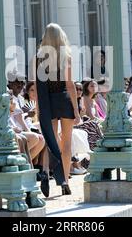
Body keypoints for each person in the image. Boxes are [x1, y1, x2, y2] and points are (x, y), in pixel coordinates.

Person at [32, 23, 81, 196]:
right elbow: (70, 84)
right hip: (64, 99)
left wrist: (39, 109)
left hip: (48, 102)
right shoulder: (65, 56)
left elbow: (38, 88)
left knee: (50, 141)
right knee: (66, 143)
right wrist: (76, 109)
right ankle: (64, 181)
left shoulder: (39, 57)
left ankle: (45, 170)